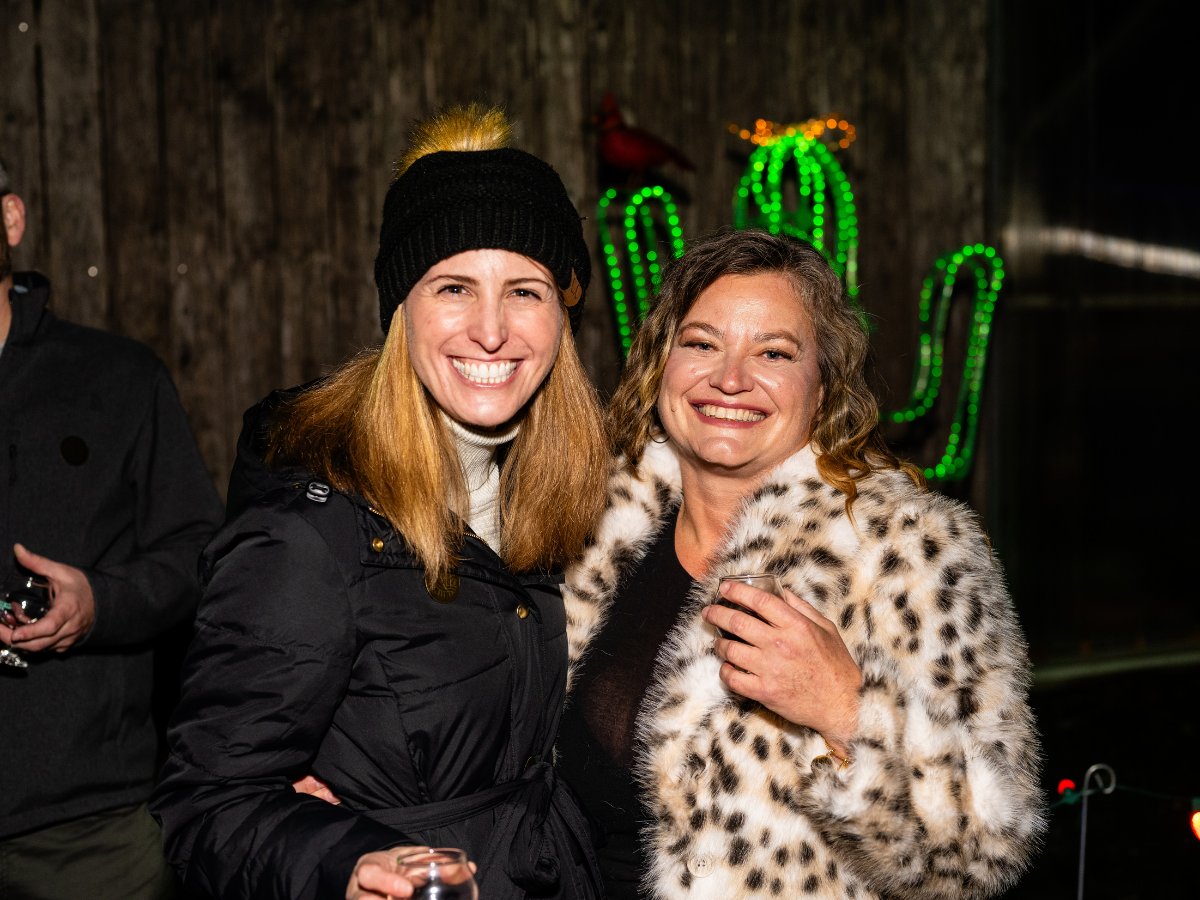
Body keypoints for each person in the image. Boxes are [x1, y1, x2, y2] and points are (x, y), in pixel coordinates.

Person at [149, 105, 610, 900]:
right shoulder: (310, 537)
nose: (493, 330)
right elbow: (204, 803)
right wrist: (345, 855)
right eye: (455, 286)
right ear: (402, 311)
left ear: (562, 321)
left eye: (526, 291)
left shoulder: (556, 493)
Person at [557, 230, 1044, 900]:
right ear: (658, 365)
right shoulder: (587, 524)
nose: (730, 378)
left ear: (823, 390)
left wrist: (846, 707)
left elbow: (986, 848)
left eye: (775, 352)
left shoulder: (907, 550)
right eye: (701, 343)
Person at [0, 158, 225, 898]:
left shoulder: (116, 379)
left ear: (10, 220)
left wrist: (99, 602)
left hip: (84, 828)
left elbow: (201, 554)